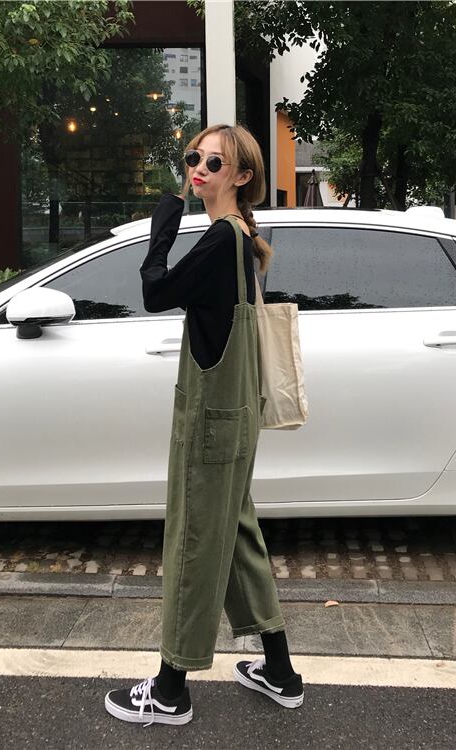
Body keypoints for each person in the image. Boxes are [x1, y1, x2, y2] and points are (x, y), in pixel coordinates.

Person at [104, 124, 304, 727]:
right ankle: (280, 671)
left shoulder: (221, 239)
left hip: (211, 422)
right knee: (237, 537)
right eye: (195, 156)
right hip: (235, 417)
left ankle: (170, 688)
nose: (199, 167)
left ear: (241, 176)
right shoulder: (242, 238)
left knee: (194, 542)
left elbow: (155, 291)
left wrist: (162, 227)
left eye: (214, 162)